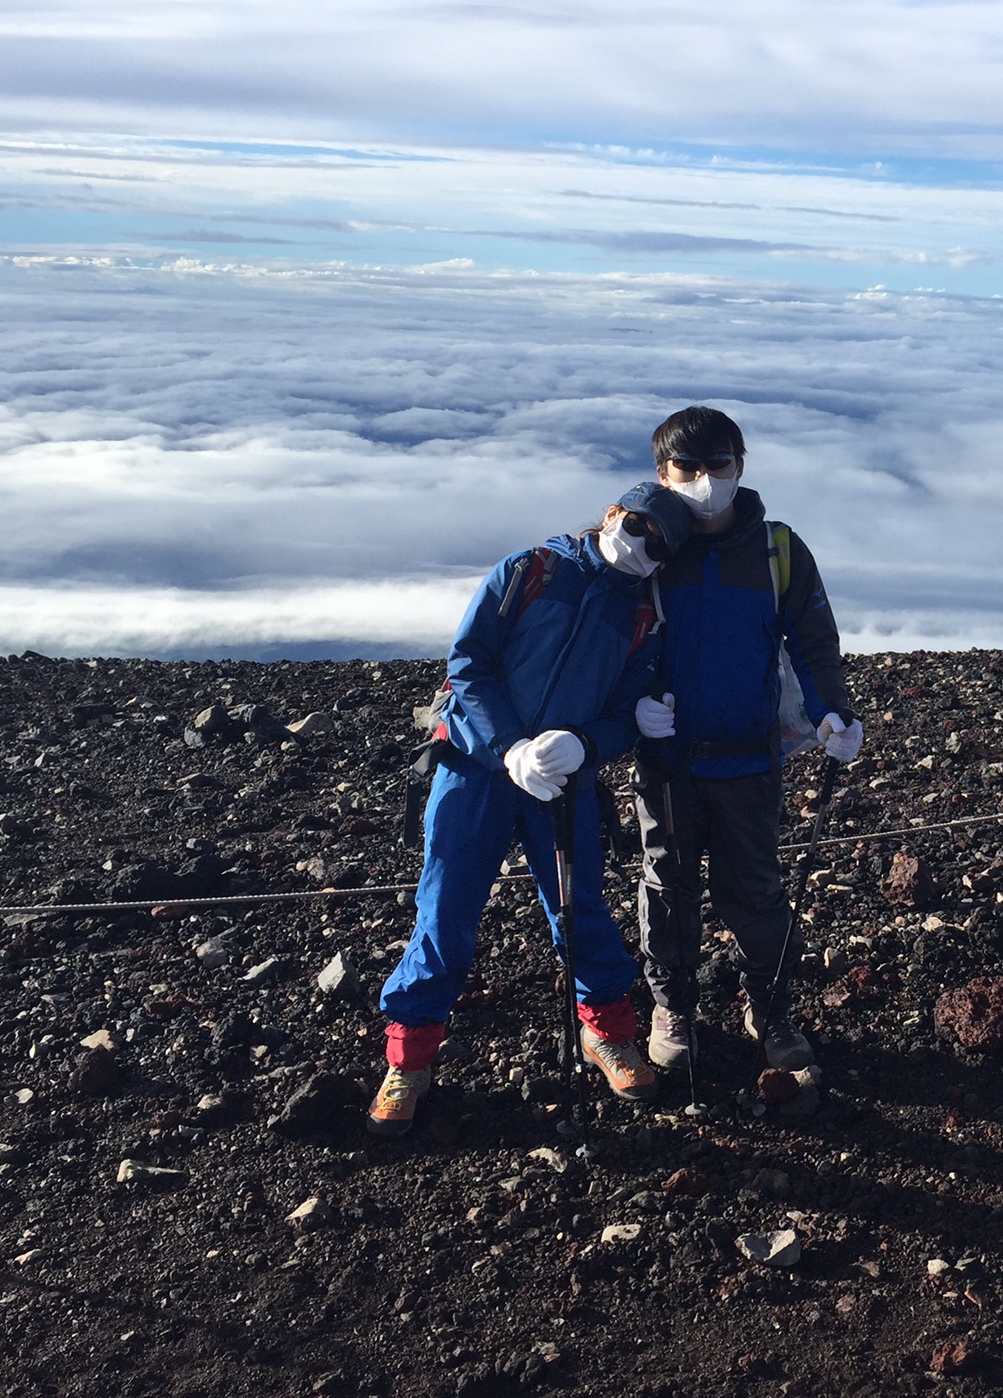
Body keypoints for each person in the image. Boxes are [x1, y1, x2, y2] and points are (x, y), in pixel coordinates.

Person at [367, 481, 693, 1137]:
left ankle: (607, 1034)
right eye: (638, 526)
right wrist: (507, 746)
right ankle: (409, 1060)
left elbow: (629, 711)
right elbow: (468, 664)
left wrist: (585, 743)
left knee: (580, 912)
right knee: (445, 910)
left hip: (565, 782)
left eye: (659, 546)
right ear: (611, 515)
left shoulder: (643, 620)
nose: (642, 546)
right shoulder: (527, 572)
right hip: (472, 769)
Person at [630, 406, 864, 1077]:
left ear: (741, 466)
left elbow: (814, 641)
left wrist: (832, 714)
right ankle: (673, 1006)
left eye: (719, 466)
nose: (706, 480)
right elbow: (614, 640)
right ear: (662, 473)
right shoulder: (648, 550)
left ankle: (770, 1005)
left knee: (757, 892)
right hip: (667, 760)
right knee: (667, 888)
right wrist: (631, 708)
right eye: (689, 468)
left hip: (749, 759)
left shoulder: (777, 550)